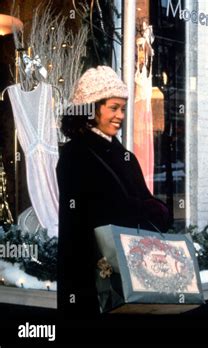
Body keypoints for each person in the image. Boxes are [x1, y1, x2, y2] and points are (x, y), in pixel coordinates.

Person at [56, 66, 171, 319]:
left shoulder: (120, 153)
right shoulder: (76, 155)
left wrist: (154, 210)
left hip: (129, 275)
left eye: (122, 108)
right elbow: (91, 216)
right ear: (91, 108)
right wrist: (146, 208)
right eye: (113, 107)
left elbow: (142, 202)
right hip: (93, 281)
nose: (120, 115)